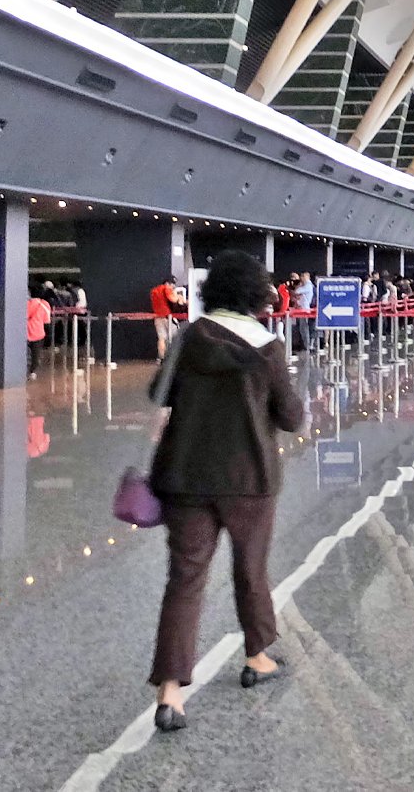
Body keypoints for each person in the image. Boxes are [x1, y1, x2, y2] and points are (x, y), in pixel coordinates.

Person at [147, 250, 305, 732]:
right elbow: (292, 418)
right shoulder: (268, 347)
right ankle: (257, 657)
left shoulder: (189, 338)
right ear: (258, 295)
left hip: (186, 476)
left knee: (185, 579)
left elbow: (158, 394)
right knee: (250, 570)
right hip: (249, 479)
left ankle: (171, 694)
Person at [150, 275, 180, 360]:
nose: (173, 286)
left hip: (157, 317)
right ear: (167, 283)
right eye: (172, 284)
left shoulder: (154, 290)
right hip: (168, 317)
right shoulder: (166, 288)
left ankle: (161, 357)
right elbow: (173, 299)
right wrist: (179, 298)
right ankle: (174, 357)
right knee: (175, 336)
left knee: (161, 338)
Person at [26, 285, 52, 376]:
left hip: (24, 333)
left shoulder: (24, 303)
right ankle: (32, 372)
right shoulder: (44, 304)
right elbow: (47, 321)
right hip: (38, 333)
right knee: (35, 355)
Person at [291, 271, 315, 352]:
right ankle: (305, 345)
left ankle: (307, 345)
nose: (301, 278)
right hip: (300, 309)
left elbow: (297, 291)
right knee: (301, 328)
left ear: (307, 277)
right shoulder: (305, 285)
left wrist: (299, 286)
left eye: (303, 277)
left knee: (304, 328)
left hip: (304, 310)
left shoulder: (308, 285)